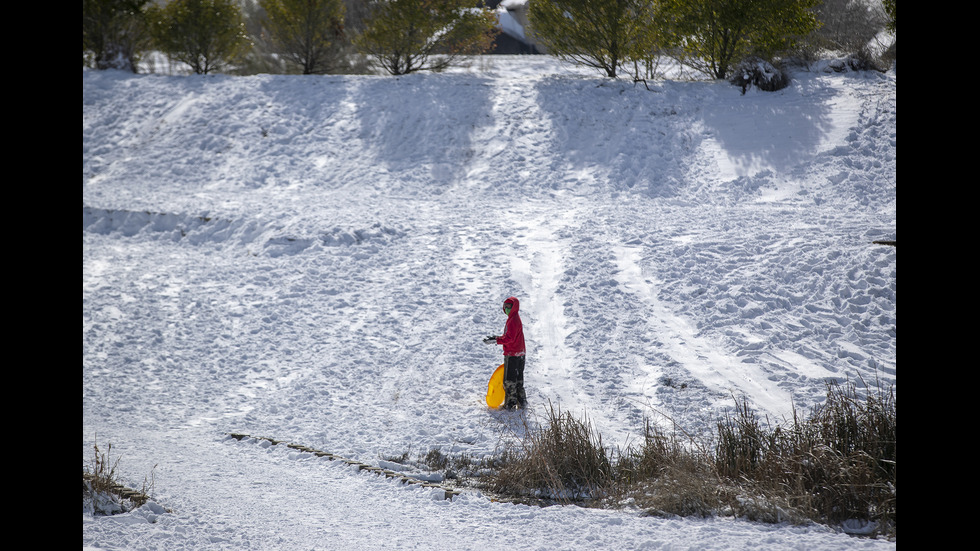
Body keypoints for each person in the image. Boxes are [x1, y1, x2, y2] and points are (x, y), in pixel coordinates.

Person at [483, 296, 526, 409]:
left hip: (512, 354)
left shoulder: (513, 320)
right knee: (518, 380)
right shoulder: (515, 318)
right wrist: (497, 338)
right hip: (520, 353)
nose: (506, 308)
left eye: (509, 306)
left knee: (509, 381)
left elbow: (510, 338)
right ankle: (522, 403)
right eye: (505, 306)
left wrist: (496, 340)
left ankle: (510, 405)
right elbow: (510, 336)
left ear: (514, 307)